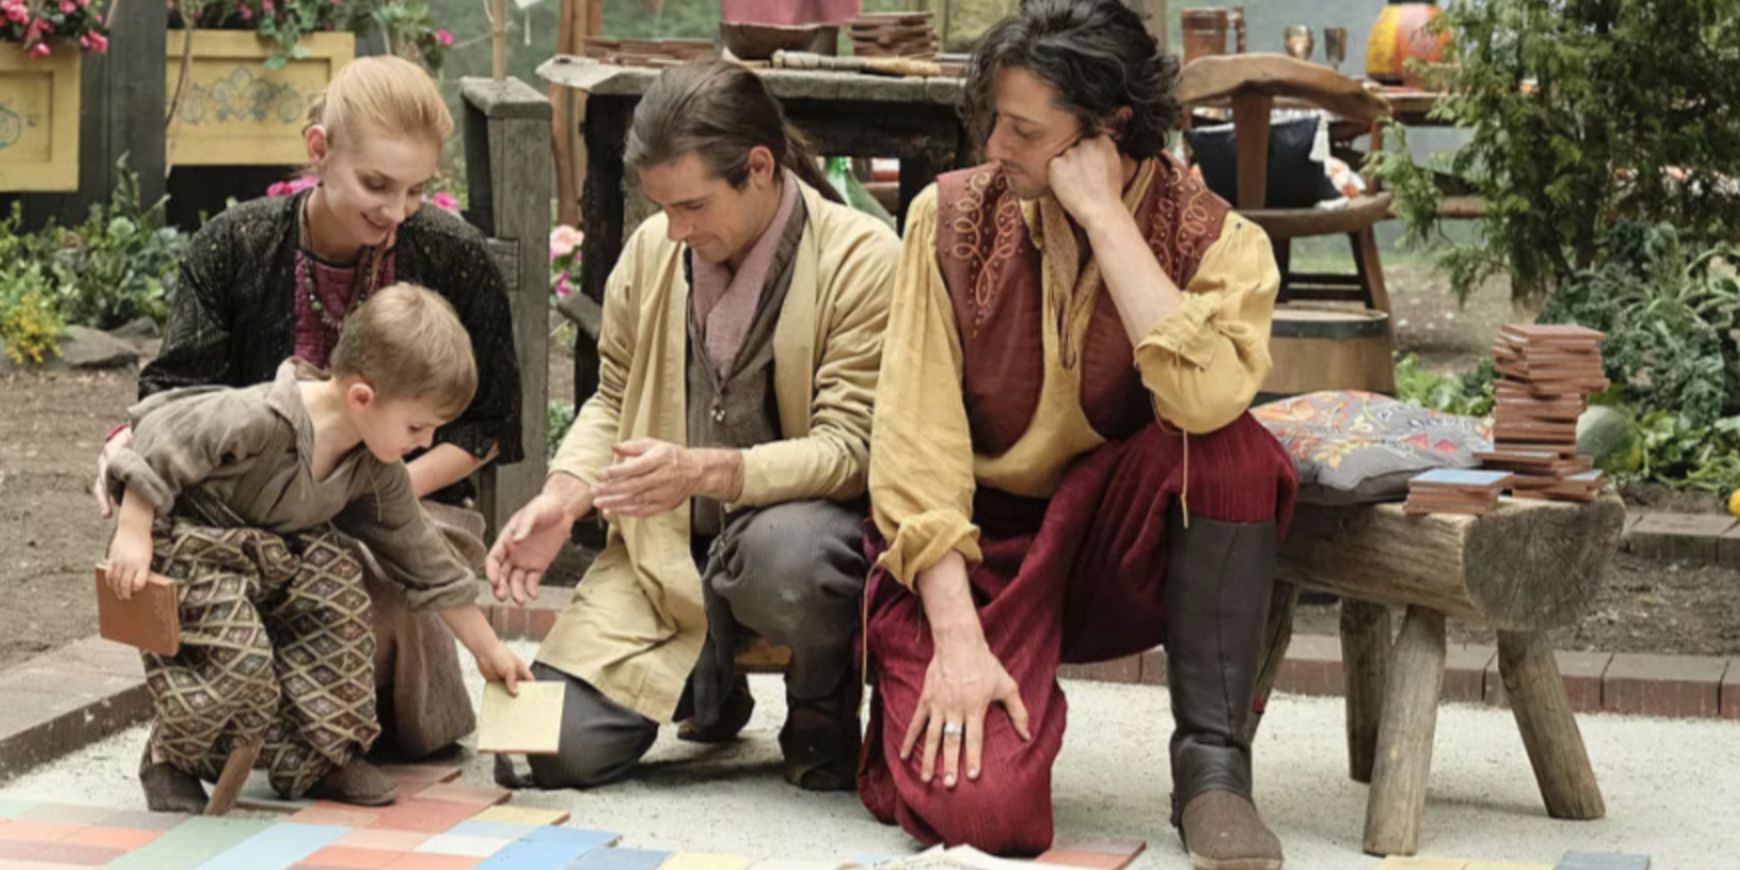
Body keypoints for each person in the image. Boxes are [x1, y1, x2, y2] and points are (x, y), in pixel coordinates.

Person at [859, 2, 1298, 867]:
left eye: (1024, 130)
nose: (994, 147)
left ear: (1108, 128)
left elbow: (1204, 400)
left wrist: (1106, 219)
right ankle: (903, 700)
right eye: (992, 121)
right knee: (988, 817)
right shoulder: (942, 221)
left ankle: (1213, 770)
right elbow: (915, 445)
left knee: (1237, 452)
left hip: (1109, 549)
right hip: (975, 556)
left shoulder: (1222, 242)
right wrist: (954, 639)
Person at [94, 55, 522, 760]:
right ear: (319, 151)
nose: (396, 212)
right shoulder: (236, 245)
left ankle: (328, 747)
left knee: (375, 584)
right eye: (376, 185)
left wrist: (366, 491)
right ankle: (225, 742)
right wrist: (127, 458)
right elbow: (176, 401)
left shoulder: (453, 257)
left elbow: (490, 426)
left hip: (410, 494)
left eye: (417, 190)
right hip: (246, 503)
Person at [486, 60, 897, 792]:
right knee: (551, 753)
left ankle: (819, 709)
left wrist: (707, 470)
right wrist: (563, 497)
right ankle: (705, 682)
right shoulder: (656, 249)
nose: (674, 229)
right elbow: (612, 398)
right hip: (662, 552)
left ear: (760, 168)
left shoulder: (863, 259)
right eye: (662, 209)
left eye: (693, 207)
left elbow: (851, 451)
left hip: (786, 541)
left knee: (794, 558)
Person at [105, 284, 533, 812]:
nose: (424, 443)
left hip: (279, 555)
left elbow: (423, 556)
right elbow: (157, 440)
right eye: (418, 427)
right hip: (197, 547)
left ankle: (316, 758)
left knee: (339, 605)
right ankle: (171, 758)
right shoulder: (258, 416)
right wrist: (133, 531)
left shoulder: (375, 466)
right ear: (361, 397)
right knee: (236, 658)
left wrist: (489, 650)